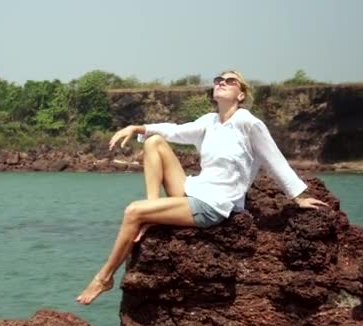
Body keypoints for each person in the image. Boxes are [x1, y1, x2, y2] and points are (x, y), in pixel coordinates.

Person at [75, 70, 328, 305]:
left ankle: (104, 278)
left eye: (230, 81)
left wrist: (299, 197)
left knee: (133, 211)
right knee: (154, 142)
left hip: (214, 205)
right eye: (219, 79)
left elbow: (275, 160)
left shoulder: (248, 123)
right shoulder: (210, 121)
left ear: (241, 95)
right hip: (194, 189)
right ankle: (152, 208)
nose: (222, 82)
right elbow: (174, 131)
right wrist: (137, 127)